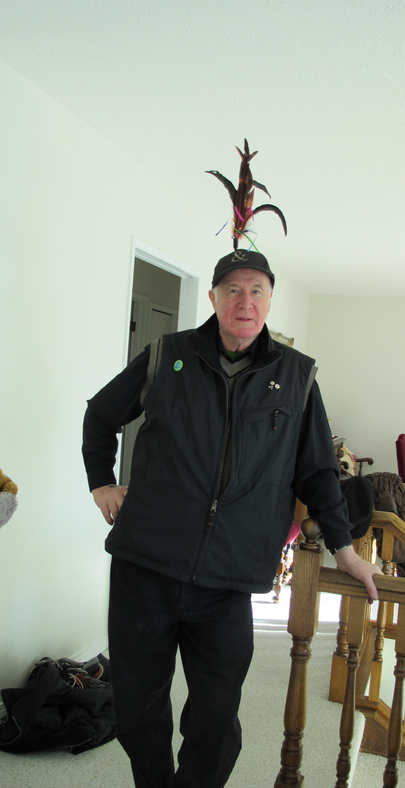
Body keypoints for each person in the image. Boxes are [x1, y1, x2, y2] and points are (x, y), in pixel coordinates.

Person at [82, 249, 381, 788]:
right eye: (234, 290)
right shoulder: (166, 355)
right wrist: (101, 481)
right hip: (144, 567)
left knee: (217, 722)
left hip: (228, 580)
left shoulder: (297, 376)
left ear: (270, 299)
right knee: (137, 710)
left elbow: (318, 472)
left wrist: (344, 550)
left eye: (256, 290)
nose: (245, 301)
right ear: (215, 297)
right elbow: (101, 414)